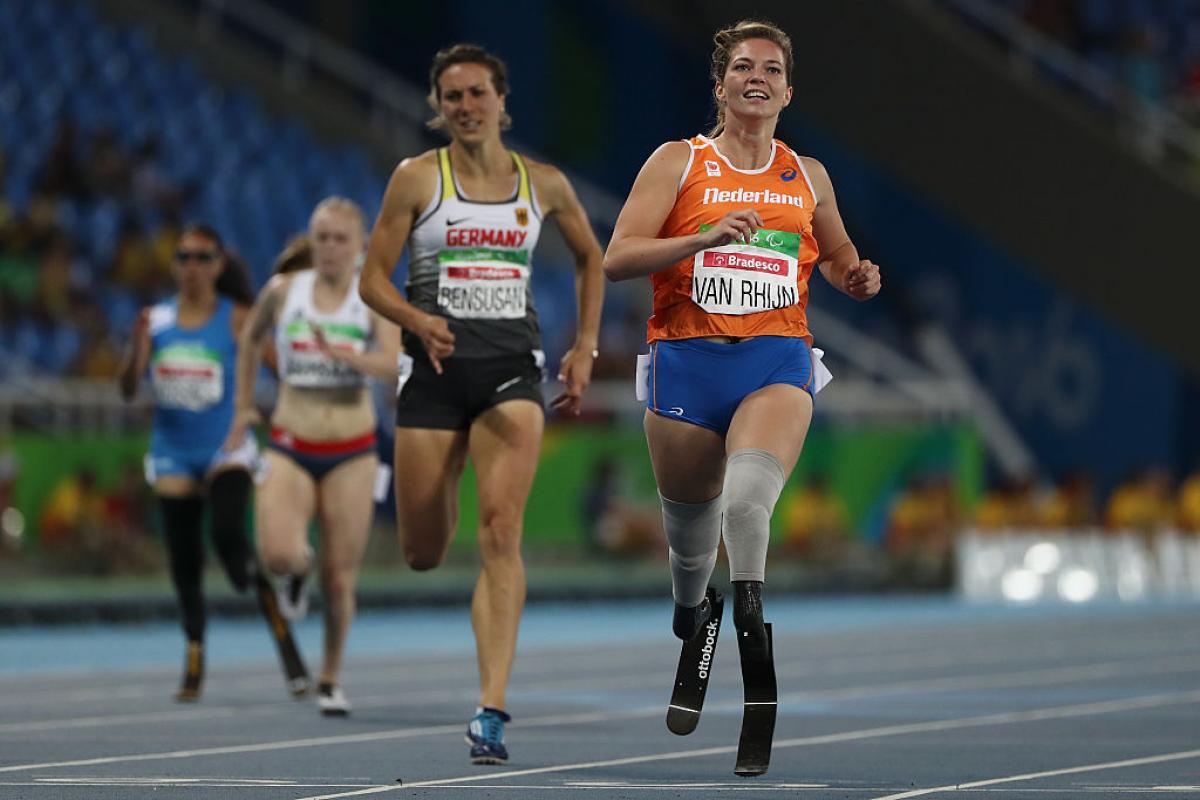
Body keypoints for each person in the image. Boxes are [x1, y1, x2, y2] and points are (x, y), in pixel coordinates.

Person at [602, 19, 881, 673]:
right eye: (744, 69)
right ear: (721, 86)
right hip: (688, 362)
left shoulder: (808, 175)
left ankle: (751, 621)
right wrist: (702, 239)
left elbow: (839, 258)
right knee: (691, 546)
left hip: (775, 358)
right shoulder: (679, 161)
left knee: (749, 502)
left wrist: (856, 277)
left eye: (772, 71)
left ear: (788, 93)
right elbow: (618, 258)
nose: (758, 78)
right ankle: (692, 604)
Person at [359, 43, 604, 764]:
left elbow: (592, 257)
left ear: (502, 100)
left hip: (509, 373)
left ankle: (491, 707)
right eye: (452, 96)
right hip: (432, 374)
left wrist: (584, 346)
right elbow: (374, 279)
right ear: (439, 108)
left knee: (502, 535)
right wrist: (414, 319)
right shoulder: (416, 180)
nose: (466, 107)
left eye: (477, 93)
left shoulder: (544, 184)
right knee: (423, 552)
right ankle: (448, 476)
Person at [118, 223, 309, 701]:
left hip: (227, 447)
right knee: (184, 559)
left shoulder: (238, 318)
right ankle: (195, 655)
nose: (192, 268)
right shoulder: (156, 320)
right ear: (174, 265)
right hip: (173, 452)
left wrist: (279, 414)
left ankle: (282, 633)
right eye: (183, 258)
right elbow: (126, 389)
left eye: (202, 258)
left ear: (219, 265)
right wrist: (135, 348)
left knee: (229, 540)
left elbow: (282, 370)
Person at [226, 198, 399, 717]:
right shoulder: (284, 292)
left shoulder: (371, 299)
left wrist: (352, 357)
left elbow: (393, 364)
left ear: (360, 246)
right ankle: (294, 572)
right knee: (278, 553)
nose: (328, 248)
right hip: (292, 442)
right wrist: (241, 406)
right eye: (321, 237)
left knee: (341, 576)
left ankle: (329, 677)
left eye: (339, 239)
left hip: (352, 450)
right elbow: (250, 339)